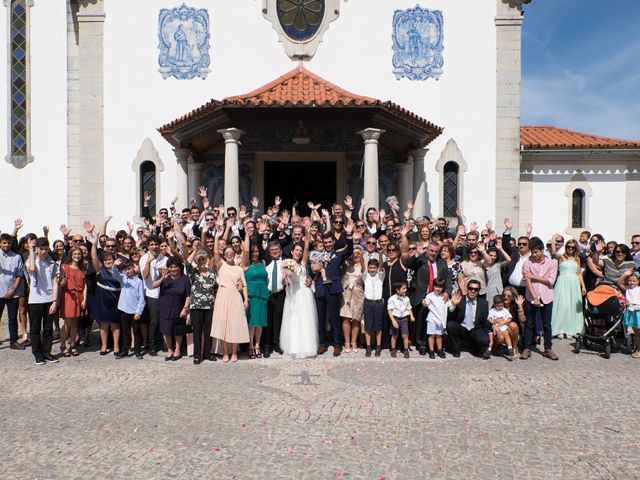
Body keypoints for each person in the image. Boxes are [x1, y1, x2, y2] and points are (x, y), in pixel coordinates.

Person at [312, 228, 354, 356]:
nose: (328, 244)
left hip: (333, 289)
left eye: (330, 242)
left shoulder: (338, 255)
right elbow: (312, 268)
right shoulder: (317, 254)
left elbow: (350, 250)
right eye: (326, 242)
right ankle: (322, 344)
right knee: (321, 318)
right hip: (320, 288)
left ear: (333, 241)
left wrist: (349, 235)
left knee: (335, 318)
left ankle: (337, 344)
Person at [210, 228, 249, 363]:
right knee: (224, 325)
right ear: (224, 255)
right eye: (227, 253)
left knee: (235, 324)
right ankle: (225, 352)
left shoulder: (239, 268)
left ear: (234, 253)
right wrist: (217, 237)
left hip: (235, 297)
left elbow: (244, 285)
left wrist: (246, 299)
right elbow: (215, 252)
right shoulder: (221, 265)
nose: (229, 255)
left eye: (231, 253)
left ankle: (234, 352)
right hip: (222, 295)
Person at [280, 227, 319, 359]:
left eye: (300, 251)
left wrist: (307, 233)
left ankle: (308, 347)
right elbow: (284, 282)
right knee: (294, 319)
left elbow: (307, 248)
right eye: (296, 250)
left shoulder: (303, 263)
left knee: (306, 319)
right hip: (293, 293)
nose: (299, 252)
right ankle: (294, 346)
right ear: (292, 251)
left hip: (305, 293)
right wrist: (286, 277)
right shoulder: (286, 263)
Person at [521, 237, 559, 361]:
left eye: (536, 252)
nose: (534, 254)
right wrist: (535, 297)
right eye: (532, 252)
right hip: (531, 296)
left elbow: (551, 281)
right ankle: (526, 348)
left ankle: (548, 348)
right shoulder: (527, 263)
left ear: (542, 250)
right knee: (530, 323)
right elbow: (527, 281)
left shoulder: (552, 263)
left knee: (547, 324)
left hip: (547, 296)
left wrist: (534, 276)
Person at [26, 237, 60, 365]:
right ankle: (37, 353)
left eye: (46, 249)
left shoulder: (52, 263)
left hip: (49, 299)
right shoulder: (31, 260)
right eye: (41, 249)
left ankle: (47, 352)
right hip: (35, 300)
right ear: (37, 249)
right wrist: (31, 250)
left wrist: (55, 301)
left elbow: (55, 283)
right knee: (35, 329)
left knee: (48, 328)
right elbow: (32, 269)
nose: (44, 252)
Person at [88, 233, 122, 357]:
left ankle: (116, 345)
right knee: (103, 324)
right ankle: (104, 345)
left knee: (115, 323)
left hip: (115, 299)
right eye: (106, 260)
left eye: (110, 260)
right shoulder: (100, 270)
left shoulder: (118, 269)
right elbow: (94, 258)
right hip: (102, 300)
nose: (108, 261)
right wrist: (93, 244)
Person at [153, 256, 191, 361]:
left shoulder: (185, 279)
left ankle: (177, 350)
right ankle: (170, 350)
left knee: (178, 330)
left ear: (180, 267)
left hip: (178, 308)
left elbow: (188, 295)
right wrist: (162, 278)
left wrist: (185, 308)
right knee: (166, 330)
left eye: (175, 267)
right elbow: (153, 285)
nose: (173, 269)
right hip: (164, 307)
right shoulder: (165, 277)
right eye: (171, 267)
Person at [185, 244, 217, 364]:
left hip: (209, 306)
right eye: (200, 260)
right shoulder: (194, 273)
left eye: (204, 259)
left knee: (208, 331)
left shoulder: (212, 273)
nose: (202, 261)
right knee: (197, 331)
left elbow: (215, 289)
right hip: (196, 307)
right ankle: (197, 355)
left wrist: (205, 255)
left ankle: (207, 353)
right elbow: (187, 263)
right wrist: (195, 251)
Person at [550, 238, 586, 339]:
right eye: (568, 246)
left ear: (576, 248)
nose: (570, 249)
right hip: (562, 282)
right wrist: (553, 241)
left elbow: (579, 273)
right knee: (562, 305)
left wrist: (583, 286)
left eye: (573, 247)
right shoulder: (561, 257)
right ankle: (560, 329)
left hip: (574, 283)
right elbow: (553, 253)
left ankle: (572, 330)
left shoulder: (577, 259)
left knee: (572, 306)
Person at [446, 279, 491, 358]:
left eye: (476, 289)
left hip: (475, 329)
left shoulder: (484, 303)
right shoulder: (459, 299)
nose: (473, 291)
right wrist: (453, 305)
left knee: (484, 339)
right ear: (467, 288)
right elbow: (449, 317)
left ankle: (474, 349)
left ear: (478, 291)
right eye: (471, 288)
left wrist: (493, 326)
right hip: (462, 328)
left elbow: (484, 322)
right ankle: (456, 349)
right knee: (450, 325)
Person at [59, 246, 86, 357]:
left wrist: (85, 299)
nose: (77, 256)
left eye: (79, 254)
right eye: (75, 254)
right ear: (71, 255)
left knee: (75, 322)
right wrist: (63, 282)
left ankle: (73, 345)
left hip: (79, 296)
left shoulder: (83, 269)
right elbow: (60, 284)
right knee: (67, 322)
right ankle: (62, 345)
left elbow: (85, 286)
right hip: (68, 296)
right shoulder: (64, 267)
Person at [116, 259, 146, 359]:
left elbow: (142, 298)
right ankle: (124, 350)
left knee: (136, 331)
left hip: (134, 311)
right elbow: (115, 275)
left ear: (133, 268)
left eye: (129, 269)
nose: (128, 271)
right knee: (125, 331)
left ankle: (137, 350)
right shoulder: (123, 278)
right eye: (125, 270)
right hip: (124, 309)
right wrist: (114, 266)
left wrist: (138, 311)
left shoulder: (139, 281)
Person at [244, 241, 268, 359]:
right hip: (251, 295)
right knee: (252, 322)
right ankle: (251, 345)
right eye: (253, 251)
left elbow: (266, 278)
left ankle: (258, 344)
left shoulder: (263, 262)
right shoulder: (246, 263)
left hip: (262, 294)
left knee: (260, 322)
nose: (255, 253)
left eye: (257, 251)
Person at [0, 233, 25, 350]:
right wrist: (14, 230)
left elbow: (19, 275)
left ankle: (13, 341)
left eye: (8, 243)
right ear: (0, 243)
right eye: (4, 242)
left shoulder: (17, 257)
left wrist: (13, 289)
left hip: (12, 293)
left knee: (12, 318)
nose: (6, 245)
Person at [340, 246, 365, 353]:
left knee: (356, 319)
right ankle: (346, 342)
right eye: (354, 253)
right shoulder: (346, 264)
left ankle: (354, 341)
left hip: (358, 294)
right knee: (346, 318)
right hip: (346, 293)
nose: (356, 255)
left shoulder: (363, 266)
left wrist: (362, 260)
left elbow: (365, 276)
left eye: (358, 253)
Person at [263, 241, 285, 358]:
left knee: (278, 320)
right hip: (269, 294)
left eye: (276, 249)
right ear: (269, 253)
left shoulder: (285, 263)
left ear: (280, 250)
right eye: (272, 250)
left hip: (280, 294)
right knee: (268, 322)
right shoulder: (266, 265)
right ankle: (267, 345)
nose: (275, 251)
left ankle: (277, 344)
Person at [422, 278, 450, 359]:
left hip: (441, 320)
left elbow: (450, 306)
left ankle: (440, 350)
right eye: (436, 286)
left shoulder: (445, 296)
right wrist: (424, 303)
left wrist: (454, 303)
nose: (438, 288)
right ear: (433, 286)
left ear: (443, 288)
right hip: (432, 318)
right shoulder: (430, 295)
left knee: (439, 336)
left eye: (440, 287)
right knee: (431, 335)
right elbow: (426, 303)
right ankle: (431, 351)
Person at [362, 258, 385, 357]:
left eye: (374, 268)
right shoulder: (365, 276)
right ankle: (368, 347)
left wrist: (380, 254)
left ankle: (378, 346)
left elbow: (381, 267)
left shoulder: (380, 276)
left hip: (379, 303)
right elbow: (363, 266)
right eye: (370, 268)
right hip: (368, 303)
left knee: (378, 326)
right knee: (368, 326)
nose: (372, 270)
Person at [386, 281, 414, 358]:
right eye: (403, 288)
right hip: (395, 318)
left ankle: (405, 349)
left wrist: (411, 316)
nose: (405, 290)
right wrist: (393, 320)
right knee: (394, 335)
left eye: (405, 288)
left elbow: (409, 308)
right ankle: (393, 349)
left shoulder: (407, 298)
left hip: (404, 319)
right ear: (397, 290)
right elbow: (389, 310)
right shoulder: (392, 299)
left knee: (405, 335)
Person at [487, 295, 515, 360]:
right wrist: (494, 322)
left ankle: (510, 347)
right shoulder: (492, 310)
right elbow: (489, 318)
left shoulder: (504, 310)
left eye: (501, 305)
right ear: (494, 304)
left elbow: (510, 318)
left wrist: (504, 321)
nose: (500, 307)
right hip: (496, 328)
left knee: (506, 334)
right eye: (498, 306)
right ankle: (491, 348)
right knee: (493, 337)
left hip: (503, 326)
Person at [619, 270, 640, 358]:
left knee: (638, 331)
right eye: (630, 280)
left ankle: (639, 350)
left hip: (638, 311)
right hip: (630, 310)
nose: (632, 282)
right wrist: (626, 274)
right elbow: (619, 282)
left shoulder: (639, 289)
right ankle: (638, 349)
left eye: (634, 281)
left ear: (638, 281)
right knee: (636, 331)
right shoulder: (627, 289)